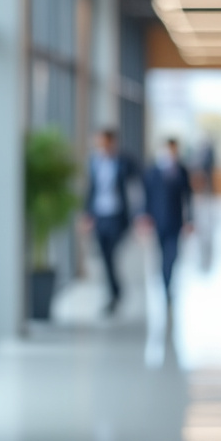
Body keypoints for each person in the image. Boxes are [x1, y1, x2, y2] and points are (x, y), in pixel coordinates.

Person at [83, 128, 135, 313]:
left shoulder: (123, 161)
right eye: (99, 143)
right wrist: (86, 214)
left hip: (117, 215)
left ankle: (115, 291)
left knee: (112, 254)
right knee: (105, 256)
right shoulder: (94, 162)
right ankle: (114, 292)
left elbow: (135, 181)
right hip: (99, 214)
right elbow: (90, 189)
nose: (102, 147)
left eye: (105, 142)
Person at [142, 138, 193, 299]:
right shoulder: (153, 171)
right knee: (162, 252)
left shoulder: (181, 170)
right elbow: (147, 195)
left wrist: (189, 220)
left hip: (176, 219)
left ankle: (168, 282)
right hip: (158, 219)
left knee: (173, 254)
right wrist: (145, 216)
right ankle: (165, 282)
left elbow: (188, 197)